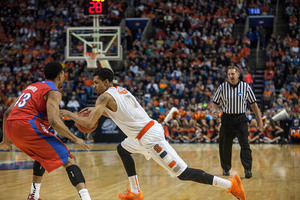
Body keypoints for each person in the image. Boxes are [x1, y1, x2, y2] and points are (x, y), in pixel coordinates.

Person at [61, 68, 246, 200]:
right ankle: (135, 192)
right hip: (139, 136)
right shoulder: (119, 91)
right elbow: (114, 111)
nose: (93, 86)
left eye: (96, 82)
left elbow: (90, 123)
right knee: (123, 149)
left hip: (150, 138)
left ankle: (231, 185)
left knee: (182, 173)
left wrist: (70, 114)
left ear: (106, 82)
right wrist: (93, 110)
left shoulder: (104, 97)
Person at [0, 61, 91, 200]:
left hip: (10, 128)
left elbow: (7, 112)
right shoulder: (53, 91)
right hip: (28, 126)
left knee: (41, 156)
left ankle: (34, 196)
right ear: (61, 75)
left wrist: (6, 141)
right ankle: (86, 198)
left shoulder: (32, 86)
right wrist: (75, 138)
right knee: (69, 159)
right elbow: (54, 121)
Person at [212, 66, 263, 179]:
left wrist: (259, 120)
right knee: (225, 145)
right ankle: (225, 168)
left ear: (238, 75)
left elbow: (254, 105)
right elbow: (215, 102)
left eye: (233, 74)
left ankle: (247, 169)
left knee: (245, 144)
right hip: (226, 118)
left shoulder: (246, 87)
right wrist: (214, 110)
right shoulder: (222, 87)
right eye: (229, 74)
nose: (231, 76)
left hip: (241, 119)